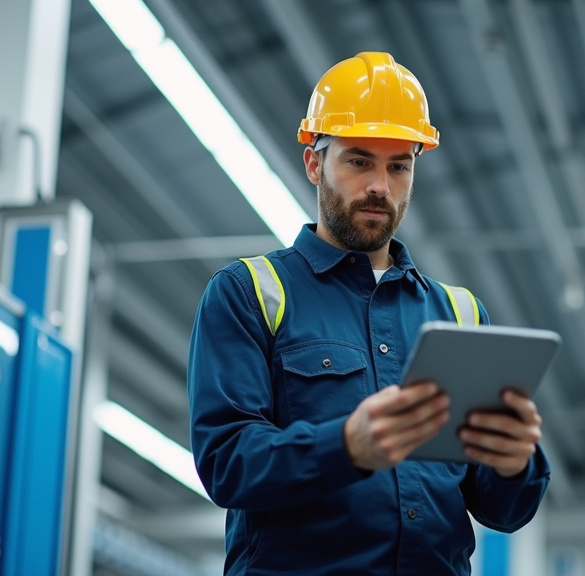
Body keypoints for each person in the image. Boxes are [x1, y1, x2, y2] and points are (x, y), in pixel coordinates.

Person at [187, 51, 550, 575]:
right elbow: (228, 464)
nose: (381, 185)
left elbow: (502, 509)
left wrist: (515, 462)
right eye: (359, 161)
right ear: (315, 163)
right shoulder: (250, 294)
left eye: (398, 165)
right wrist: (345, 446)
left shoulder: (461, 313)